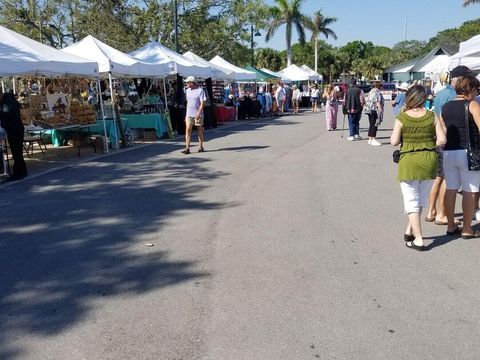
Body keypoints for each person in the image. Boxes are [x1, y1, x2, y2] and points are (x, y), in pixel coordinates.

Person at [390, 85, 446, 251]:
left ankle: (419, 239)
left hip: (409, 161)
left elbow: (393, 141)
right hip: (429, 160)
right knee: (420, 198)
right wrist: (428, 144)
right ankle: (409, 230)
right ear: (424, 98)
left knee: (411, 200)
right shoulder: (431, 115)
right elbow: (442, 139)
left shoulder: (402, 117)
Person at [425, 65, 472, 224]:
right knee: (447, 180)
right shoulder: (455, 95)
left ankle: (432, 211)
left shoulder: (441, 93)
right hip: (449, 140)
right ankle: (442, 214)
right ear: (460, 79)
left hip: (438, 139)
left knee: (438, 178)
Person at [440, 74, 480, 239]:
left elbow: (444, 129)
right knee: (470, 191)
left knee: (450, 188)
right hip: (468, 152)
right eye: (477, 89)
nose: (477, 92)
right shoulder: (472, 105)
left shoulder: (446, 106)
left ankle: (450, 225)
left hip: (449, 151)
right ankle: (467, 228)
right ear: (470, 89)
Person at [0, 90, 28, 181]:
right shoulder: (5, 101)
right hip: (12, 129)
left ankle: (19, 173)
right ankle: (22, 171)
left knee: (17, 152)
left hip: (16, 129)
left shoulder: (9, 101)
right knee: (16, 152)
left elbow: (7, 115)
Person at [181, 76, 206, 154]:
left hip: (198, 114)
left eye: (188, 82)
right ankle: (187, 148)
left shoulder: (200, 91)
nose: (186, 84)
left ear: (192, 83)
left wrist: (199, 112)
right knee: (188, 129)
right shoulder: (187, 91)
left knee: (199, 129)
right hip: (189, 113)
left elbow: (202, 103)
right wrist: (186, 115)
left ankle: (201, 146)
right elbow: (188, 103)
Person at [364, 80, 384, 146]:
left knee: (371, 124)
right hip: (375, 110)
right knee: (375, 124)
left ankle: (370, 138)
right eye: (381, 86)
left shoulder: (371, 90)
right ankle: (373, 138)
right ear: (379, 86)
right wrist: (380, 109)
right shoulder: (377, 91)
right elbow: (377, 100)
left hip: (370, 109)